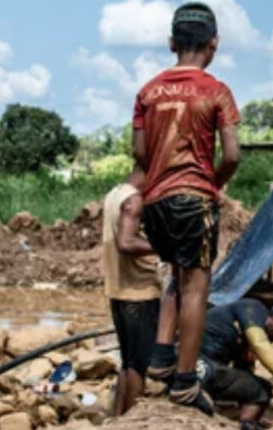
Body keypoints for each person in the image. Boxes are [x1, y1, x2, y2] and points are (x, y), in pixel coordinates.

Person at [132, 1, 241, 414]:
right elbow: (232, 153)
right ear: (213, 43)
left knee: (175, 274)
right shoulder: (216, 91)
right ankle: (184, 381)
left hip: (155, 200)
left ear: (171, 42)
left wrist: (159, 177)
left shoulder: (147, 91)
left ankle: (161, 357)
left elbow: (139, 152)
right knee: (198, 286)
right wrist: (213, 183)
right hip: (193, 196)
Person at [100, 167, 161, 416]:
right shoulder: (134, 199)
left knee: (128, 362)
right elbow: (126, 242)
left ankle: (119, 418)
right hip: (139, 292)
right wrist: (165, 246)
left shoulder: (115, 194)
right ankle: (133, 421)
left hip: (118, 289)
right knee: (139, 364)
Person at [198, 298, 273, 430]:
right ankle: (247, 424)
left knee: (253, 385)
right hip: (199, 365)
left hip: (201, 367)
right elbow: (260, 343)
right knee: (262, 389)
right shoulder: (255, 308)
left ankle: (247, 422)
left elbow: (243, 370)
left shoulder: (241, 330)